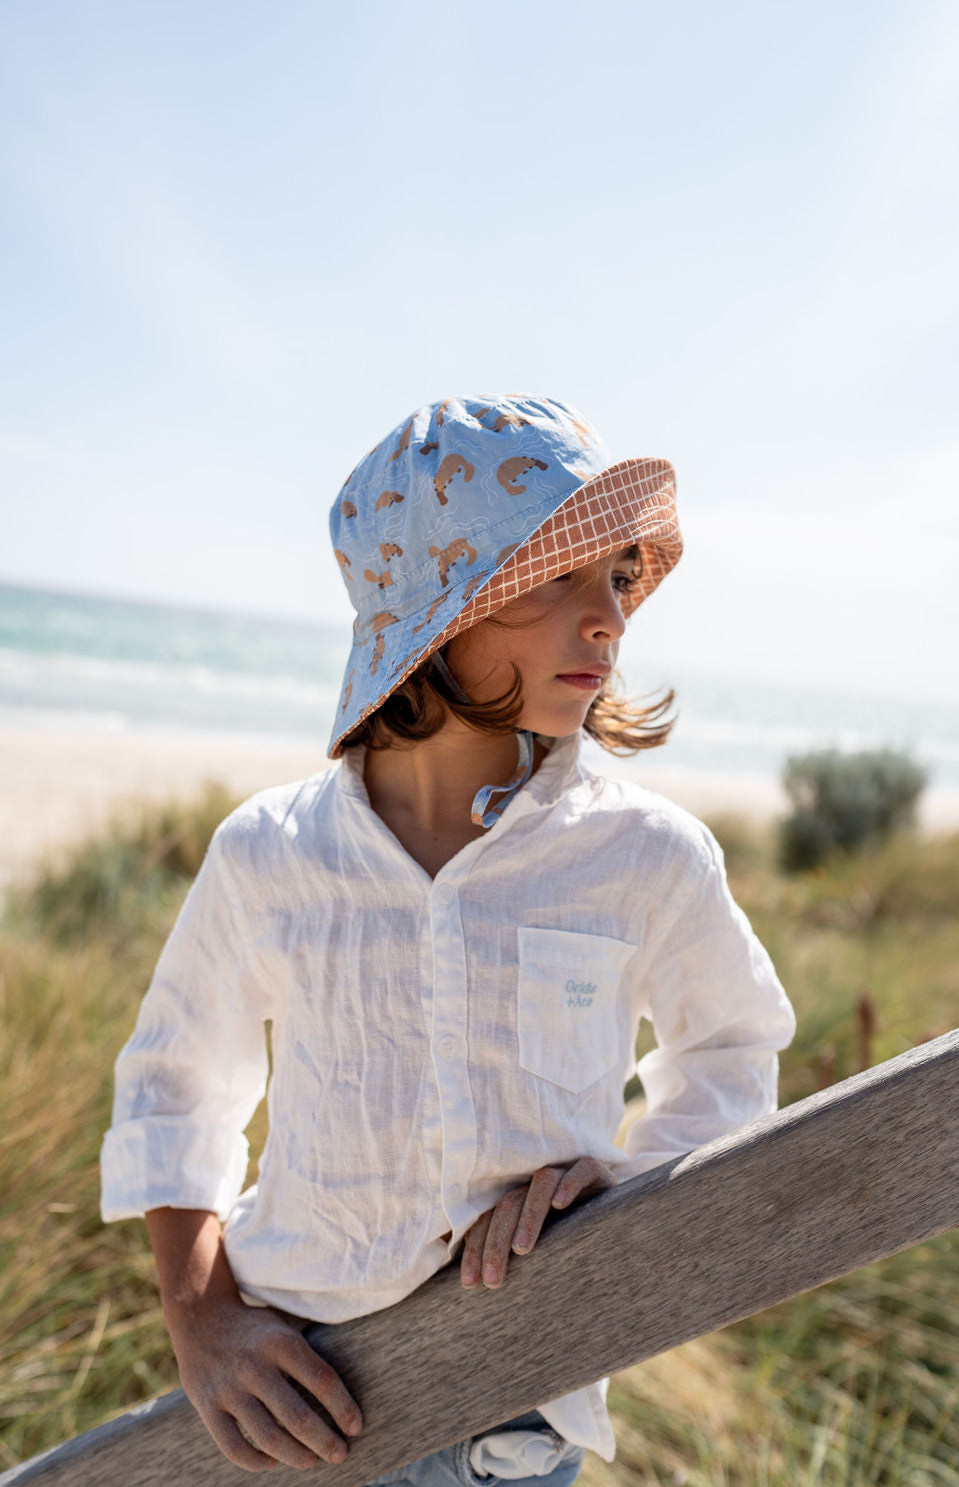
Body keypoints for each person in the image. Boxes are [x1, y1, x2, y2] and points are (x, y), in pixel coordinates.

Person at [100, 393, 795, 1482]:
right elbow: (176, 1089)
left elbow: (733, 1052)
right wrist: (204, 1327)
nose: (609, 614)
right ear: (434, 611)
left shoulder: (646, 854)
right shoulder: (270, 854)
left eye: (615, 574)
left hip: (515, 1415)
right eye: (558, 576)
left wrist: (629, 1183)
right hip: (287, 1394)